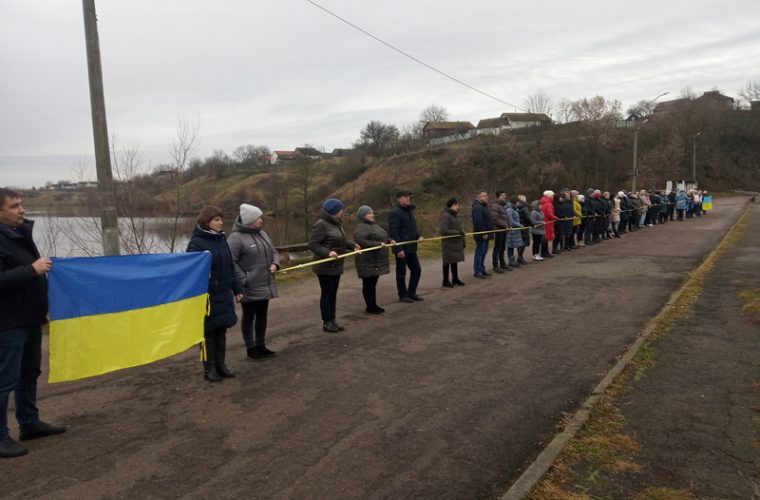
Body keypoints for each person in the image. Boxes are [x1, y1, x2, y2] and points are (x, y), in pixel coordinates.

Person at [0, 188, 66, 458]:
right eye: (15, 206)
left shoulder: (18, 234)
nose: (22, 210)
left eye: (22, 204)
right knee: (4, 381)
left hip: (29, 318)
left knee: (29, 374)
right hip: (7, 323)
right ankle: (1, 436)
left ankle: (29, 423)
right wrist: (32, 269)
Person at [187, 206, 243, 382]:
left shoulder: (221, 239)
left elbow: (229, 267)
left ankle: (221, 365)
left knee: (221, 331)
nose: (220, 223)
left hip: (223, 293)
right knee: (208, 334)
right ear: (206, 222)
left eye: (221, 219)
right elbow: (192, 271)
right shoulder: (196, 243)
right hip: (207, 297)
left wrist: (237, 289)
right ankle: (209, 369)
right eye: (216, 220)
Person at [227, 203, 280, 361]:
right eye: (258, 218)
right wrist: (244, 278)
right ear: (250, 220)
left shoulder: (262, 234)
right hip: (248, 286)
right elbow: (231, 262)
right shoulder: (235, 238)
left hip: (265, 283)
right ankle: (251, 348)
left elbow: (274, 251)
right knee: (249, 316)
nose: (261, 220)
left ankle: (261, 345)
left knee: (262, 315)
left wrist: (275, 263)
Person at [309, 198, 360, 332]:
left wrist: (352, 245)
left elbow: (341, 241)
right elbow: (313, 245)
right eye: (340, 209)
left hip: (336, 265)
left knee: (333, 293)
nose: (342, 211)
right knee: (327, 294)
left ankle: (332, 319)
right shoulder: (321, 224)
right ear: (334, 211)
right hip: (324, 267)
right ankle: (326, 322)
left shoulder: (336, 223)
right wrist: (327, 253)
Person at [352, 205, 392, 313]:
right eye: (369, 213)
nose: (372, 215)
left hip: (376, 260)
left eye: (372, 213)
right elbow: (361, 242)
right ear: (363, 216)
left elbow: (382, 237)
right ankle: (370, 306)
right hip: (367, 260)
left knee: (373, 283)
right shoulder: (360, 227)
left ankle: (373, 305)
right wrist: (378, 244)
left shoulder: (375, 225)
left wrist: (389, 240)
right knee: (368, 284)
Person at [388, 190, 424, 303]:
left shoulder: (409, 211)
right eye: (405, 197)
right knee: (401, 272)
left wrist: (419, 236)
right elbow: (393, 232)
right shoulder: (395, 212)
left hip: (412, 247)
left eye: (409, 196)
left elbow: (413, 227)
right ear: (399, 199)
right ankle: (402, 295)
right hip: (402, 249)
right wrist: (398, 249)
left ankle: (411, 292)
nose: (408, 198)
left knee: (417, 270)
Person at [438, 198, 466, 287]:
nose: (458, 206)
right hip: (448, 243)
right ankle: (445, 281)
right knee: (447, 261)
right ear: (451, 205)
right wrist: (457, 233)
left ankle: (455, 278)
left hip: (456, 242)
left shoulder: (455, 215)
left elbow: (458, 227)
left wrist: (462, 236)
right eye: (456, 205)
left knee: (454, 261)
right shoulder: (445, 216)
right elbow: (443, 230)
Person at [471, 190, 494, 278]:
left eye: (486, 195)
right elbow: (478, 221)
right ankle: (477, 271)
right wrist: (484, 232)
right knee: (480, 252)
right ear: (478, 197)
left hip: (486, 233)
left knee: (484, 252)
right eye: (484, 195)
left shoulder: (484, 207)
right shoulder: (477, 207)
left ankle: (482, 269)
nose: (486, 197)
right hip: (481, 234)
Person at [489, 191, 510, 273]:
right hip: (498, 229)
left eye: (505, 195)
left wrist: (509, 225)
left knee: (502, 248)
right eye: (502, 195)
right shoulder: (495, 205)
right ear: (498, 196)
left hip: (504, 229)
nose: (504, 197)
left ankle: (503, 264)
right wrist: (505, 226)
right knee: (497, 248)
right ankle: (495, 266)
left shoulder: (502, 205)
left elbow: (506, 217)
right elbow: (495, 218)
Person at [505, 196, 525, 267]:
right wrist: (520, 225)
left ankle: (513, 260)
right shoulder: (509, 210)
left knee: (513, 246)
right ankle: (511, 261)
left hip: (515, 231)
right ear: (515, 202)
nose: (519, 203)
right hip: (511, 231)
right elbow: (511, 221)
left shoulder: (515, 209)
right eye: (518, 202)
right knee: (510, 246)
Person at [539, 190, 557, 256]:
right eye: (552, 196)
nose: (553, 197)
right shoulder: (548, 204)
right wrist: (555, 217)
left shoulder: (542, 203)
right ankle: (545, 253)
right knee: (546, 238)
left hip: (545, 221)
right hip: (548, 222)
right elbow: (549, 214)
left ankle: (545, 252)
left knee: (544, 238)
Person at [516, 194, 532, 264]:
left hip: (518, 226)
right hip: (524, 226)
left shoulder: (516, 207)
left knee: (520, 242)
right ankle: (520, 257)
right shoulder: (525, 208)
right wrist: (532, 224)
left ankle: (520, 257)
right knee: (524, 242)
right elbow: (527, 218)